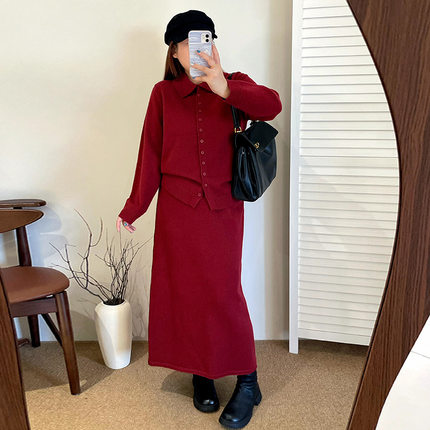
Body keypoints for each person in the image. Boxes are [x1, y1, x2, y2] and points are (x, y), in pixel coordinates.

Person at [116, 9, 282, 429]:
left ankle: (248, 381)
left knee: (224, 294)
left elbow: (273, 105)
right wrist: (134, 206)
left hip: (223, 210)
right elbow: (150, 153)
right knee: (186, 294)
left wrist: (224, 86)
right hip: (177, 212)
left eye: (206, 39)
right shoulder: (162, 94)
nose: (199, 48)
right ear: (174, 51)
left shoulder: (235, 84)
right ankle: (201, 373)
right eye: (189, 42)